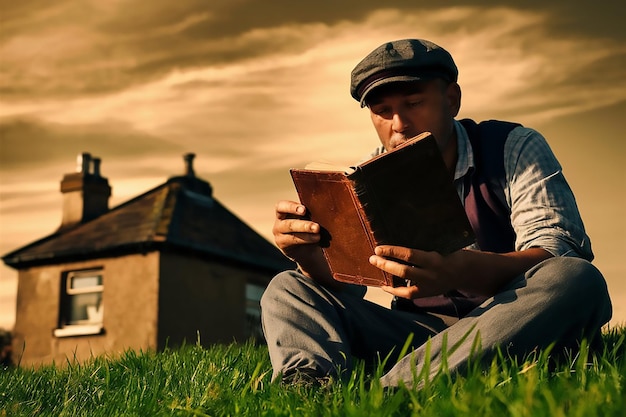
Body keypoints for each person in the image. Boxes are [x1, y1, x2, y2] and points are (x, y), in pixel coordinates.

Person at [260, 38, 612, 387]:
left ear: (452, 99)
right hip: (419, 336)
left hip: (513, 322)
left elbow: (557, 251)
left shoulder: (512, 147)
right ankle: (308, 387)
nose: (398, 124)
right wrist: (309, 257)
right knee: (288, 286)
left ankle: (394, 391)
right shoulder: (368, 178)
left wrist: (458, 272)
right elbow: (351, 289)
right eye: (382, 111)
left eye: (414, 103)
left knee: (578, 279)